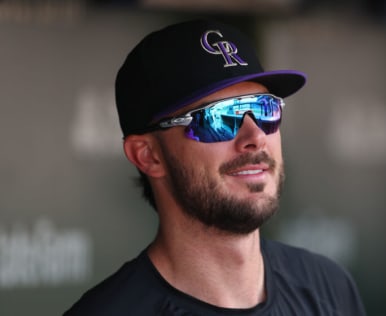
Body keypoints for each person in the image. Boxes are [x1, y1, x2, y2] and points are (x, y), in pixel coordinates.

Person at [64, 19, 366, 316]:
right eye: (219, 118)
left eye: (266, 109)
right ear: (148, 156)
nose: (256, 137)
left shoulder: (327, 287)